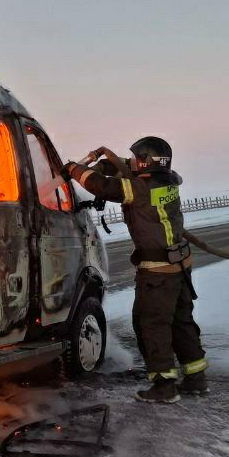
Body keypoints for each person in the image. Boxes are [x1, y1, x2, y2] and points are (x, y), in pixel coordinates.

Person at [63, 137, 207, 403]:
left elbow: (104, 187)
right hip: (179, 267)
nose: (133, 162)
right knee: (181, 322)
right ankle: (196, 378)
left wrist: (74, 170)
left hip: (157, 273)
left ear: (146, 162)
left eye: (138, 159)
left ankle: (164, 386)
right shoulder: (169, 179)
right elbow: (126, 168)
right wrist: (108, 163)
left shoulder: (139, 189)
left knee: (152, 325)